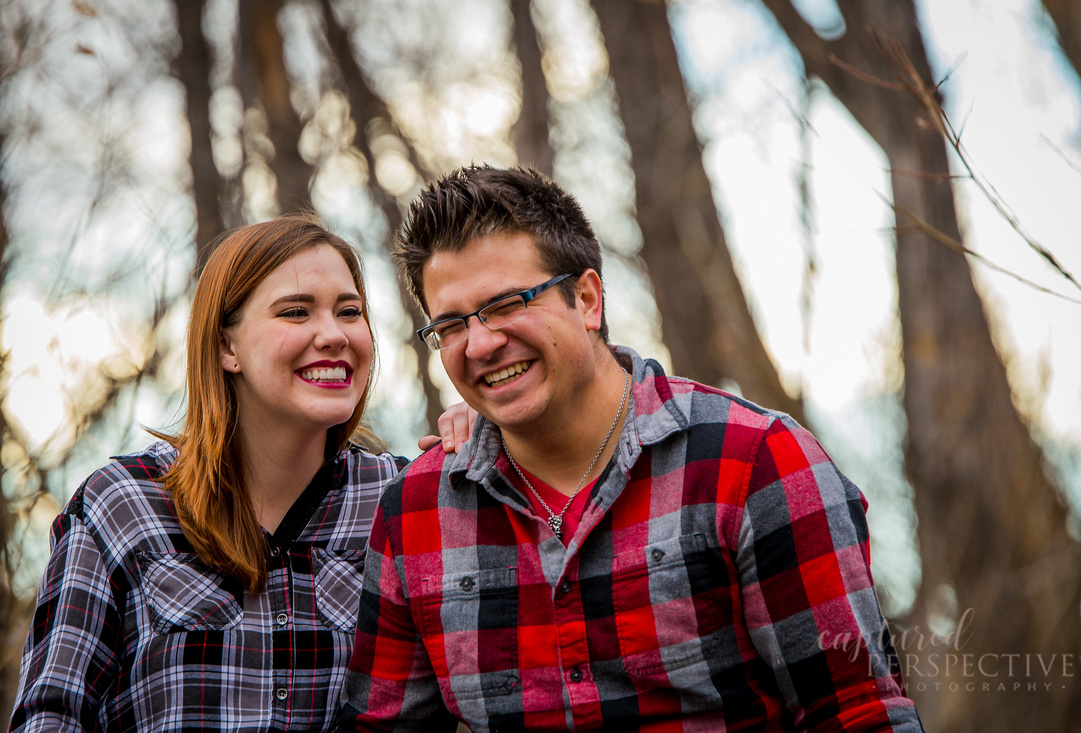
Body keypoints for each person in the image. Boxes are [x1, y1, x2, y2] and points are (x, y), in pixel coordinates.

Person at [337, 165, 924, 732]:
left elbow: (856, 713)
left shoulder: (754, 462)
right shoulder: (416, 511)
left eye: (507, 304)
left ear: (588, 300)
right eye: (453, 325)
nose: (482, 342)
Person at [9, 215, 474, 732]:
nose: (333, 334)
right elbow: (52, 716)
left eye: (350, 312)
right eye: (295, 312)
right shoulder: (123, 506)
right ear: (228, 347)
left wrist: (495, 444)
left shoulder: (404, 501)